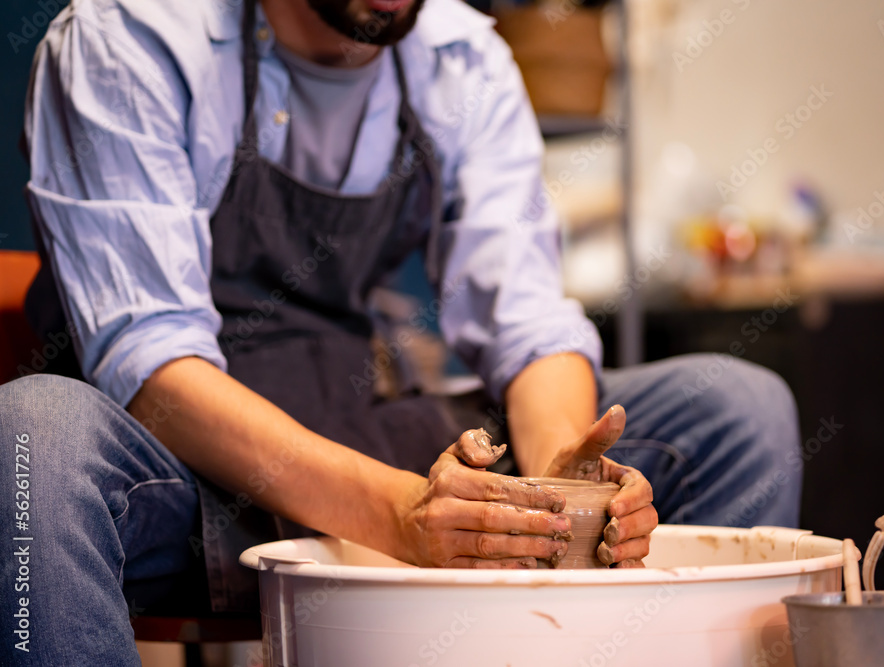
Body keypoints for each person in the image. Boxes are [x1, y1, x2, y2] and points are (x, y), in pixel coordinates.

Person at [0, 0, 802, 662]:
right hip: (192, 475)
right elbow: (153, 368)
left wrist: (564, 487)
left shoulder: (461, 60)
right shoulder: (129, 38)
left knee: (735, 411)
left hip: (362, 421)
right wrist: (400, 514)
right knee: (33, 438)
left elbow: (524, 320)